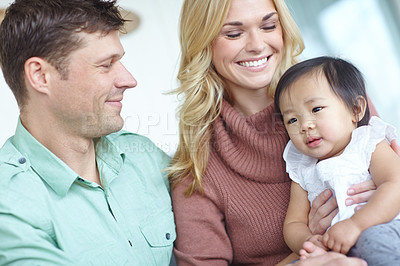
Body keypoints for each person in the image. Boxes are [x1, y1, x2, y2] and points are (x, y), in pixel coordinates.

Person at [168, 0, 396, 265]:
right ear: (202, 43)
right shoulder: (195, 168)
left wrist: (375, 209)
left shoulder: (341, 102)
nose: (256, 44)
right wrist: (306, 253)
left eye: (268, 25)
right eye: (233, 33)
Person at [0, 0, 175, 265]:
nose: (129, 80)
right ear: (40, 76)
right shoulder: (9, 204)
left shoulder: (146, 158)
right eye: (106, 65)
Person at [275, 56, 400, 264]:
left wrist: (356, 225)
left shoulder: (367, 142)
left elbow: (396, 185)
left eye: (316, 109)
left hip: (381, 227)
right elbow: (293, 222)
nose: (305, 125)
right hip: (333, 249)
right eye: (292, 120)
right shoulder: (303, 167)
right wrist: (308, 241)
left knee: (375, 242)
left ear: (356, 109)